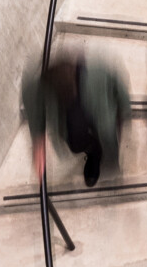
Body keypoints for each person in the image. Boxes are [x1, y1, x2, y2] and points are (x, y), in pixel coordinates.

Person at [23, 52, 129, 188]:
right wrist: (38, 141)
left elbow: (118, 84)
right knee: (75, 143)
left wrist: (124, 110)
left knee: (109, 137)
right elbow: (34, 104)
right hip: (71, 118)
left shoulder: (98, 71)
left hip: (101, 113)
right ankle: (94, 153)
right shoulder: (38, 89)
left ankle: (111, 159)